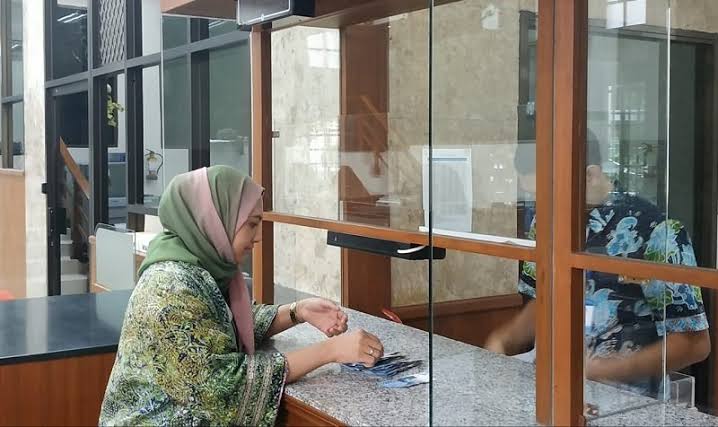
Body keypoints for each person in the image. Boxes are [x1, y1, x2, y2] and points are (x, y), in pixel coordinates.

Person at [100, 166, 384, 426]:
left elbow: (223, 322)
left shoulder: (197, 266)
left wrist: (298, 311)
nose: (258, 237)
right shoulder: (170, 286)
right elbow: (221, 387)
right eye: (251, 224)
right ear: (212, 219)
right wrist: (331, 351)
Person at [486, 131, 710, 396]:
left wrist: (603, 370)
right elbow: (544, 299)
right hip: (556, 393)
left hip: (627, 402)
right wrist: (504, 339)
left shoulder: (657, 230)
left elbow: (694, 344)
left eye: (551, 194)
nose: (543, 206)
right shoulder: (546, 223)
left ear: (590, 176)